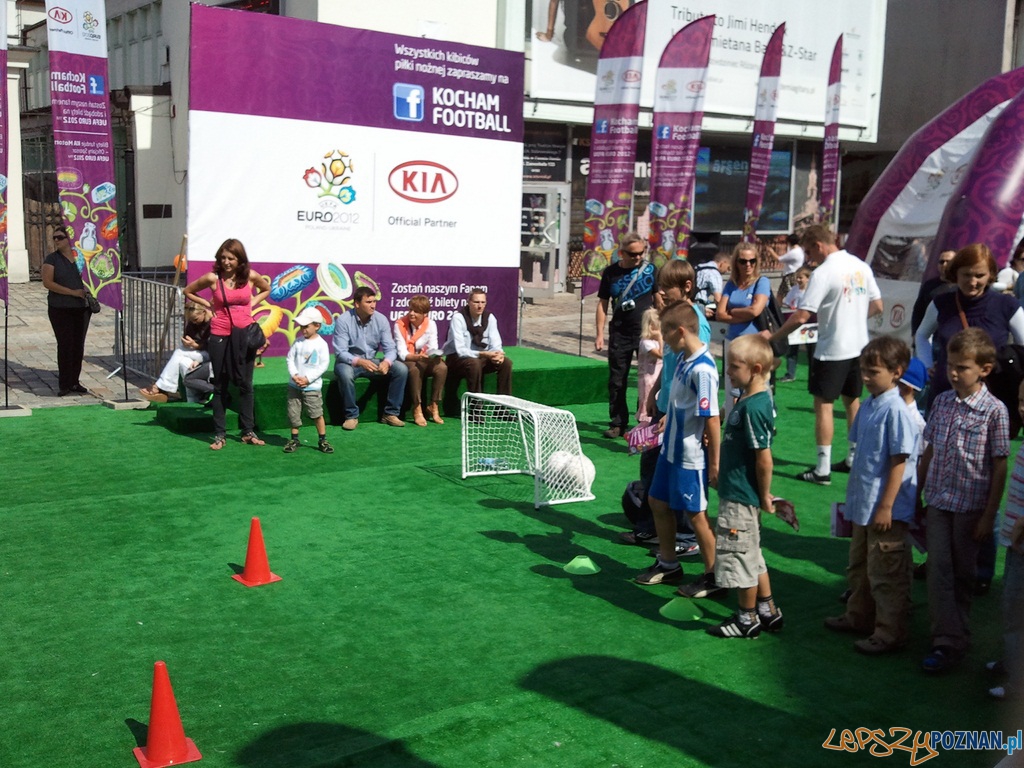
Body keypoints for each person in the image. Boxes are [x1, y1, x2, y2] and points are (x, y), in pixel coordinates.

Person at [918, 328, 1009, 673]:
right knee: (938, 569)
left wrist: (989, 515)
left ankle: (957, 632)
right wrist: (918, 493)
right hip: (939, 501)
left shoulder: (994, 411)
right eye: (950, 366)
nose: (953, 373)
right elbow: (929, 451)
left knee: (962, 574)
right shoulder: (941, 401)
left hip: (971, 507)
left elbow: (999, 464)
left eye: (962, 367)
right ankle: (947, 641)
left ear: (984, 369)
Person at [766, 225, 883, 485]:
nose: (808, 259)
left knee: (824, 405)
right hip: (859, 346)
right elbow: (877, 305)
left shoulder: (824, 272)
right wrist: (852, 318)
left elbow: (802, 315)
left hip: (832, 349)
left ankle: (822, 469)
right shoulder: (861, 266)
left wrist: (773, 337)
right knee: (853, 401)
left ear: (819, 245)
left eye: (809, 252)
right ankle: (853, 458)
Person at [824, 336, 919, 655]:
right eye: (863, 370)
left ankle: (890, 631)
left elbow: (899, 462)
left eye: (873, 372)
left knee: (886, 574)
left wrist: (887, 507)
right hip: (863, 506)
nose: (865, 378)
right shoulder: (868, 405)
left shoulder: (896, 411)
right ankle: (858, 616)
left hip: (885, 511)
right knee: (860, 567)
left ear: (896, 372)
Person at [619, 260, 705, 557]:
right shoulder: (670, 319)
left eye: (666, 294)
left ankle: (684, 535)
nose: (661, 298)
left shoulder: (695, 323)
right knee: (652, 468)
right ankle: (651, 527)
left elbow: (692, 368)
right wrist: (655, 392)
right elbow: (669, 364)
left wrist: (672, 409)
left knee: (673, 473)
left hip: (680, 413)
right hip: (665, 406)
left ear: (687, 288)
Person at [634, 301, 721, 596]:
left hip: (690, 456)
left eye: (666, 334)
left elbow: (712, 418)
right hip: (669, 450)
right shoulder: (684, 358)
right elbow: (685, 401)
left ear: (681, 331)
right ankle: (668, 564)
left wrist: (715, 463)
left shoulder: (704, 369)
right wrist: (669, 417)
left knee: (697, 515)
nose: (663, 340)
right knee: (658, 502)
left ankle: (714, 577)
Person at [706, 334, 784, 638]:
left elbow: (763, 458)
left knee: (739, 555)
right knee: (753, 553)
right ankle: (767, 609)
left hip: (741, 496)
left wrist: (764, 494)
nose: (728, 372)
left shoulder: (754, 407)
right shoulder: (749, 400)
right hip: (738, 490)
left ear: (755, 368)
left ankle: (747, 618)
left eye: (734, 367)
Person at [184, 238, 271, 450]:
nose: (226, 262)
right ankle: (219, 434)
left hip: (245, 336)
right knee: (221, 385)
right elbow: (189, 291)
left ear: (239, 259)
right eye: (222, 257)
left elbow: (266, 289)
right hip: (220, 334)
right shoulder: (213, 278)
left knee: (245, 384)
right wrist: (208, 306)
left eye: (230, 258)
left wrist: (251, 304)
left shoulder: (249, 276)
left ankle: (248, 431)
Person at [914, 243, 1024, 408]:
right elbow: (922, 335)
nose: (973, 282)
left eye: (980, 275)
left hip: (989, 399)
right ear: (956, 273)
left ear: (990, 275)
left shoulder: (1007, 305)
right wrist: (927, 364)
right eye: (966, 275)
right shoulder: (941, 302)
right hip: (944, 395)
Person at [595, 232, 656, 438]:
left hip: (646, 332)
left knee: (647, 379)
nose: (637, 257)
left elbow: (659, 299)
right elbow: (603, 303)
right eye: (632, 254)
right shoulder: (611, 273)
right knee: (617, 379)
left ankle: (644, 420)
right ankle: (618, 422)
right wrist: (599, 334)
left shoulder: (650, 270)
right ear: (621, 253)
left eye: (641, 253)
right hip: (620, 331)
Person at [333, 286, 409, 430]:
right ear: (357, 304)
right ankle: (351, 416)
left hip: (372, 362)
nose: (373, 305)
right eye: (368, 302)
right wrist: (359, 361)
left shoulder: (381, 319)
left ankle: (390, 414)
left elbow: (390, 349)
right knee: (345, 373)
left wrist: (387, 362)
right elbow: (340, 352)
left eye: (374, 301)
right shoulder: (343, 320)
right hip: (350, 362)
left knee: (401, 369)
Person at [985, 448, 1024, 701]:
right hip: (1016, 542)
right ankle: (1013, 661)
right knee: (1011, 606)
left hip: (1021, 541)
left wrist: (1020, 529)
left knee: (1016, 610)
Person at [717, 242, 771, 409]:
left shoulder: (762, 282)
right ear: (736, 262)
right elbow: (720, 313)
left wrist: (733, 312)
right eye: (743, 261)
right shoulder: (731, 284)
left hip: (753, 344)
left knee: (756, 386)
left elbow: (756, 310)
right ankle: (732, 423)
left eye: (752, 261)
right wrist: (743, 313)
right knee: (732, 388)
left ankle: (762, 420)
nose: (748, 265)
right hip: (732, 342)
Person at [41, 226, 92, 397]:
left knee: (78, 345)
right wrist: (72, 292)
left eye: (60, 237)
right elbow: (48, 282)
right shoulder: (52, 259)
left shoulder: (81, 258)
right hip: (60, 308)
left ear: (69, 239)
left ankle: (74, 382)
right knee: (65, 345)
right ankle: (64, 383)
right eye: (54, 237)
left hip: (81, 308)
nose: (56, 240)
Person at [443, 288, 513, 402]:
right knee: (474, 364)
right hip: (457, 359)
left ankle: (503, 408)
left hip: (481, 357)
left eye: (482, 302)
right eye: (476, 302)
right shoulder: (458, 318)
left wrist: (497, 355)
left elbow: (496, 343)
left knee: (506, 363)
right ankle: (476, 409)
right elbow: (461, 351)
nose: (479, 306)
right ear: (469, 302)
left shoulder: (490, 318)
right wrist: (483, 354)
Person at [139, 303, 213, 403]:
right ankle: (192, 399)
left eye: (195, 319)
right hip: (197, 351)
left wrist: (196, 345)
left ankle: (161, 387)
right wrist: (188, 342)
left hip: (209, 354)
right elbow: (189, 335)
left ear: (204, 312)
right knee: (183, 362)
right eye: (191, 320)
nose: (194, 322)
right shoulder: (193, 322)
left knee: (179, 352)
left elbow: (212, 345)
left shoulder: (213, 322)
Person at [283, 307, 333, 454]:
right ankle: (294, 439)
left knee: (316, 413)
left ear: (317, 326)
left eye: (306, 326)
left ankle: (322, 439)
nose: (302, 329)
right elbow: (290, 359)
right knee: (294, 413)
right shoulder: (298, 342)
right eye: (301, 326)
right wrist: (295, 375)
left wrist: (308, 379)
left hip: (312, 387)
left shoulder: (322, 344)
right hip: (294, 385)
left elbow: (323, 365)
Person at [394, 294, 447, 427]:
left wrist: (434, 355)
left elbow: (433, 346)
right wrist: (417, 357)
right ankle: (417, 408)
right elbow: (402, 353)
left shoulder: (431, 324)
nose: (412, 313)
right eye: (410, 309)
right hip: (408, 359)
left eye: (416, 311)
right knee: (415, 368)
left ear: (424, 314)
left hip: (424, 358)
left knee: (442, 367)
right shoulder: (399, 325)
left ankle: (433, 405)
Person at [779, 266, 814, 383]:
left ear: (808, 279)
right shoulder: (794, 289)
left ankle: (813, 375)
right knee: (792, 349)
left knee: (811, 351)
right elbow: (787, 302)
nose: (798, 280)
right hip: (795, 322)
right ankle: (790, 374)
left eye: (801, 278)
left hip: (809, 324)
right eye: (797, 278)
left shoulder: (812, 291)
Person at [910, 249, 956, 337]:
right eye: (941, 262)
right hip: (929, 334)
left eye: (948, 261)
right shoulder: (929, 285)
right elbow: (918, 311)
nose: (944, 265)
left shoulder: (961, 286)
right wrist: (915, 333)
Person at [635, 308, 662, 424]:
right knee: (647, 413)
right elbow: (662, 355)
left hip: (658, 380)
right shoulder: (646, 343)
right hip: (649, 381)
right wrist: (660, 338)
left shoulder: (656, 342)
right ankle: (637, 437)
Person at [694, 252, 730, 320]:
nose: (727, 271)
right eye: (728, 268)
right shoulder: (715, 274)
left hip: (690, 303)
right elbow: (718, 299)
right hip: (700, 305)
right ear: (723, 263)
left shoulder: (698, 267)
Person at [776, 233, 805, 305]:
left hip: (790, 275)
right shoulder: (800, 250)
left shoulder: (794, 252)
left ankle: (778, 310)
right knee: (785, 293)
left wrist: (770, 251)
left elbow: (779, 259)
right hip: (796, 273)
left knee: (782, 294)